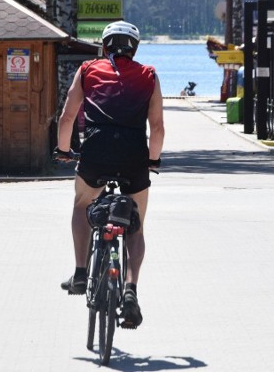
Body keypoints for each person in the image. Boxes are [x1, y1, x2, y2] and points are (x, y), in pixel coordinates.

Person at [53, 20, 164, 329]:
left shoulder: (88, 69)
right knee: (136, 225)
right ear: (135, 49)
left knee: (81, 205)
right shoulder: (149, 75)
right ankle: (130, 289)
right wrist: (153, 160)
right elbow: (157, 127)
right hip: (133, 155)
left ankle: (79, 272)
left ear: (104, 46)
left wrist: (63, 151)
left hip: (96, 150)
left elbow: (67, 117)